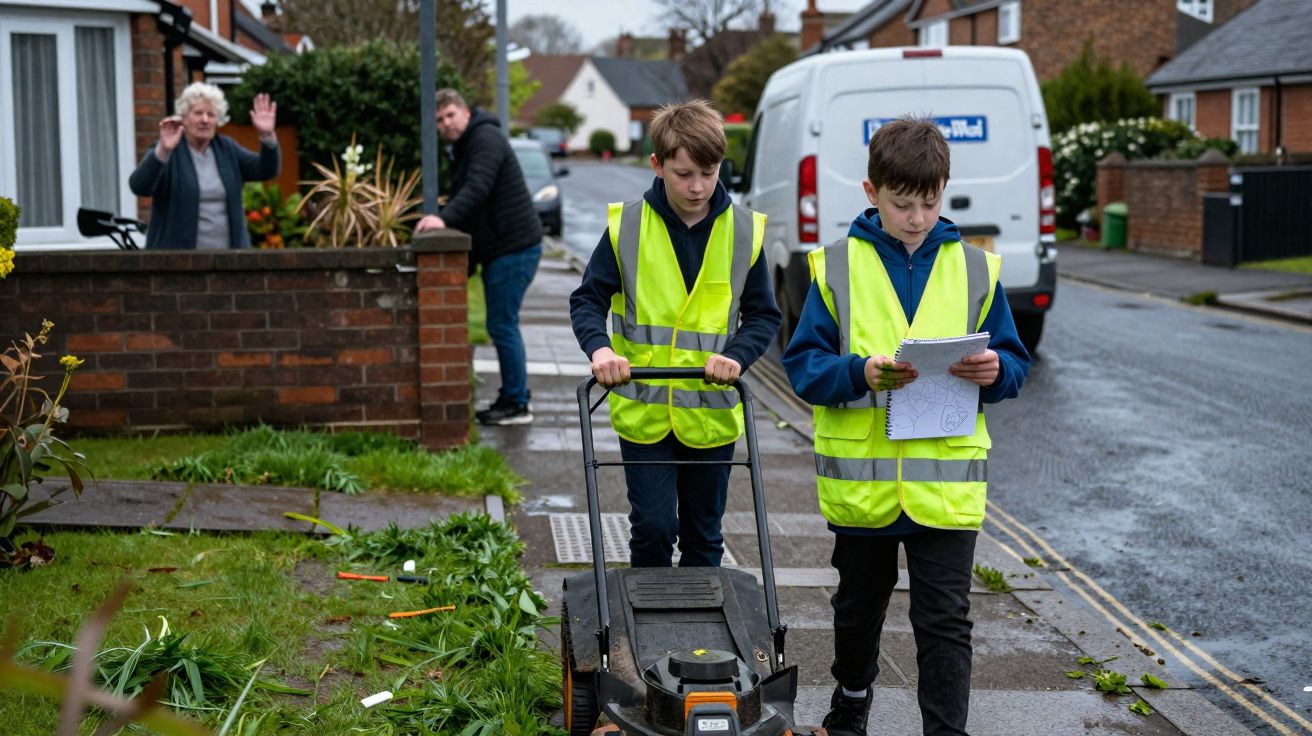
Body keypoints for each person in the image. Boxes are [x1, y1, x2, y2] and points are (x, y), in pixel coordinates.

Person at [782, 117, 1031, 736]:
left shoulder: (977, 270)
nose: (917, 217)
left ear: (943, 190)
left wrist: (996, 369)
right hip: (863, 487)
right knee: (857, 611)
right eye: (902, 204)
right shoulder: (835, 266)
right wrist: (859, 372)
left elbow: (1016, 365)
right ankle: (852, 703)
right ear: (871, 192)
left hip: (945, 490)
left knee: (945, 620)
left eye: (929, 202)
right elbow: (804, 367)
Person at [569, 99, 781, 568]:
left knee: (705, 536)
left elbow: (764, 315)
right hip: (645, 413)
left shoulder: (743, 230)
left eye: (708, 172)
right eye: (684, 173)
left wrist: (739, 357)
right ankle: (648, 629)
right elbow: (588, 300)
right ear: (657, 165)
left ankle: (701, 638)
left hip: (711, 413)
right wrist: (600, 349)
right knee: (653, 527)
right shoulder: (626, 226)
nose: (698, 186)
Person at [416, 89, 543, 426]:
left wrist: (443, 219)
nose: (446, 124)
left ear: (465, 112)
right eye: (440, 120)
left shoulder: (485, 138)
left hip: (514, 248)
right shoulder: (466, 144)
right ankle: (512, 397)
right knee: (502, 325)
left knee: (502, 325)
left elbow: (477, 189)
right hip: (502, 248)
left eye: (450, 115)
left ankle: (517, 404)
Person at [129, 82, 280, 249]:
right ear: (184, 117)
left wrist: (267, 136)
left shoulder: (227, 149)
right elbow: (139, 186)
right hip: (176, 263)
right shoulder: (170, 150)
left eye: (211, 114)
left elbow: (267, 169)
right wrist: (163, 151)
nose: (205, 120)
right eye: (198, 113)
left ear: (218, 120)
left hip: (229, 262)